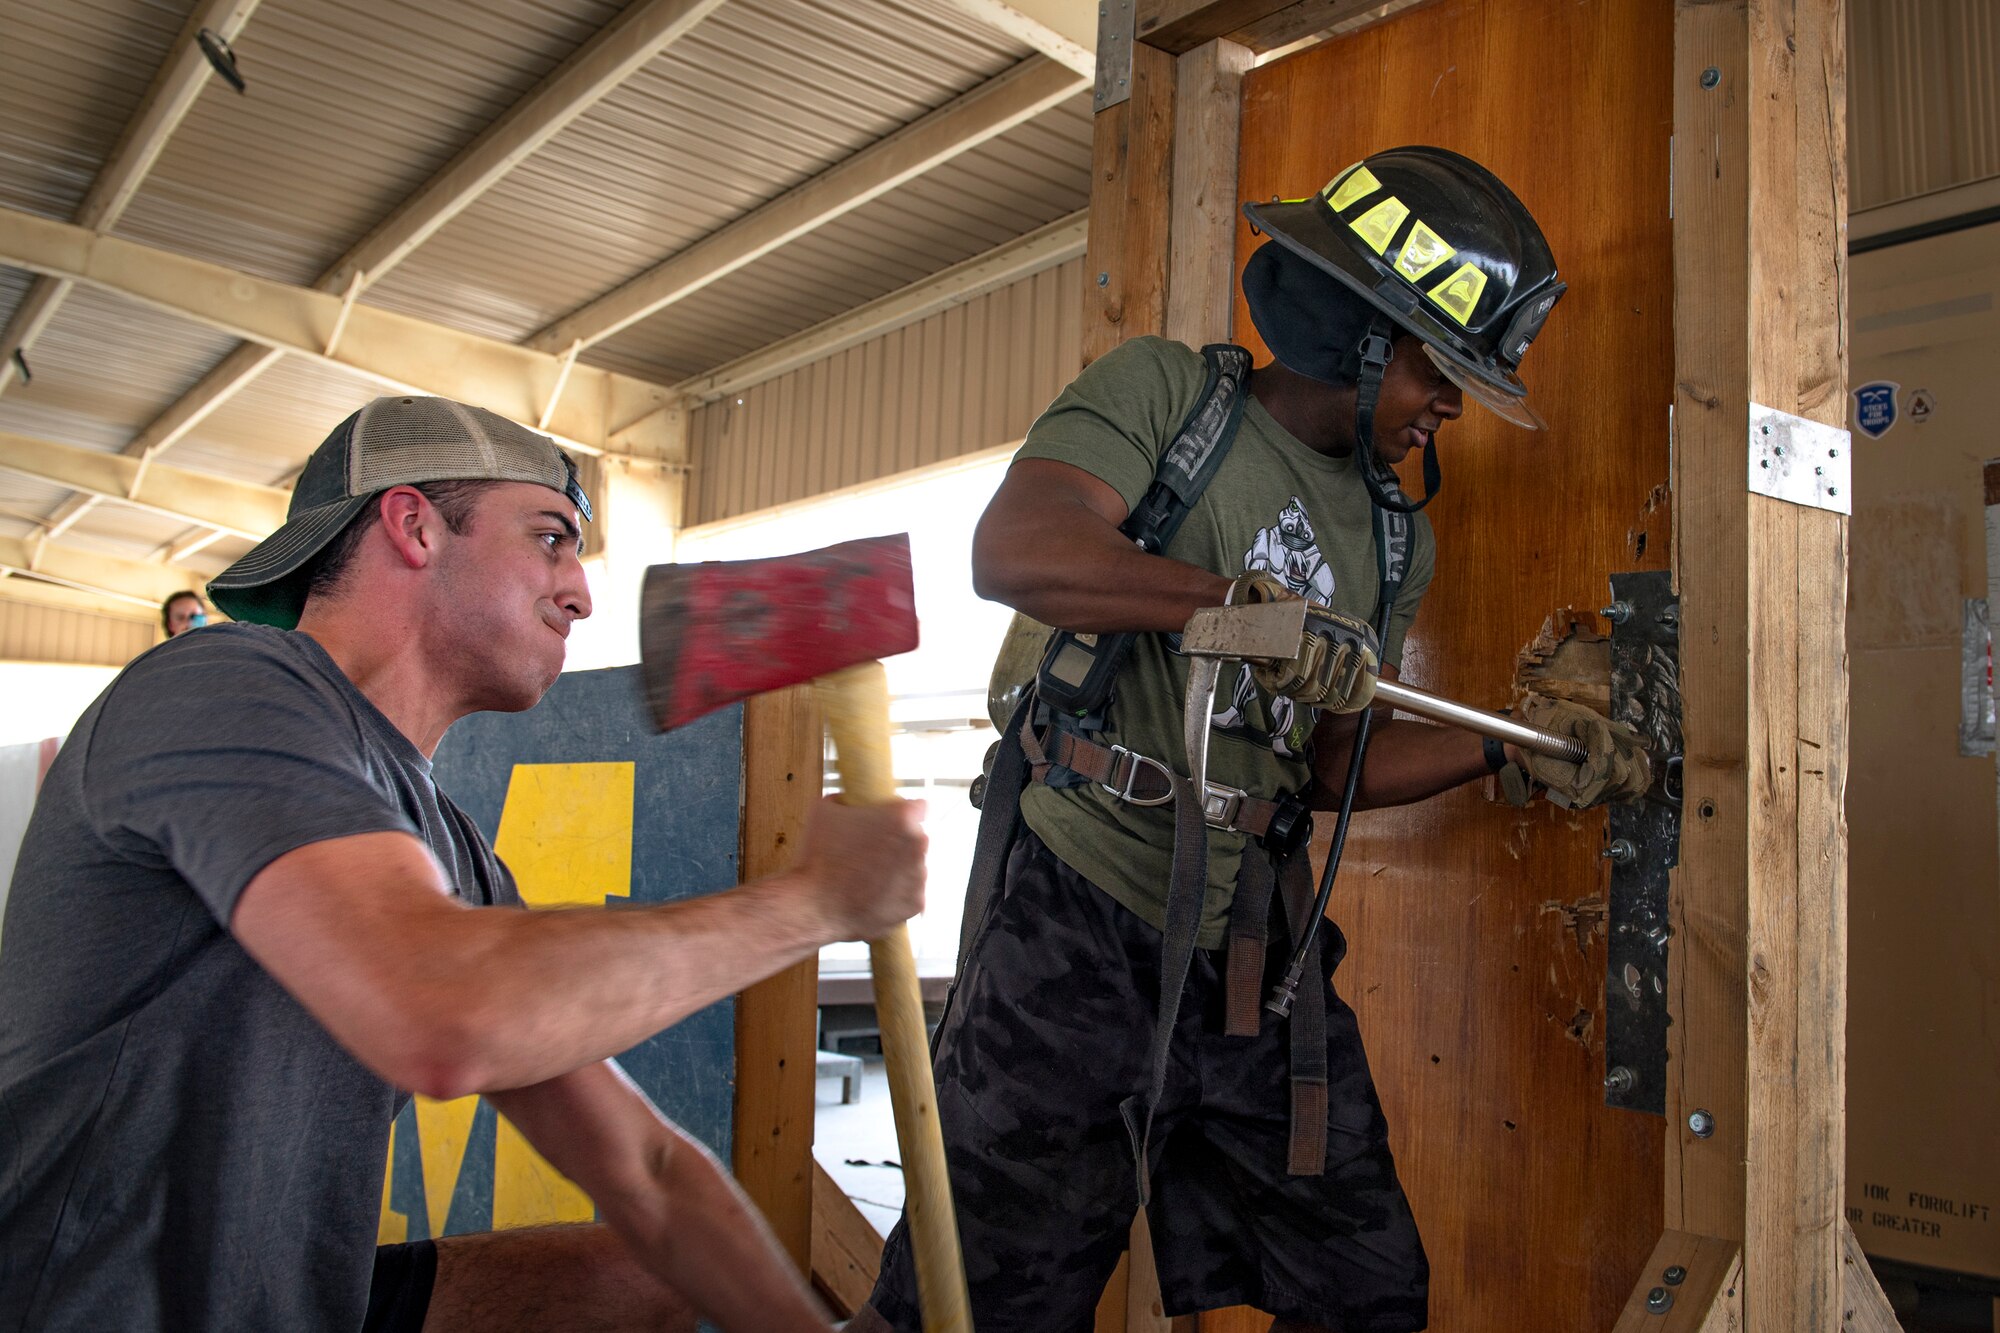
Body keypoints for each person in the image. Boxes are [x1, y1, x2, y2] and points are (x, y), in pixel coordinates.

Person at [857, 147, 1649, 1332]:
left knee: (1366, 1291)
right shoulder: (1166, 399)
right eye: (1439, 373)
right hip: (1072, 924)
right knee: (984, 1305)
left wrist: (1511, 748)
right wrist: (1233, 607)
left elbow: (1331, 764)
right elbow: (1017, 549)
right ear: (1362, 335)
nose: (1446, 410)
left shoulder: (1393, 541)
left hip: (1251, 963)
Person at [0, 396, 927, 1333]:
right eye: (551, 538)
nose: (581, 591)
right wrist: (811, 903)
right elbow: (445, 1011)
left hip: (298, 1301)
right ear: (413, 527)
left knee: (644, 1278)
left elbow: (646, 1168)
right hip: (86, 1305)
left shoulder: (448, 846)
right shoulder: (221, 684)